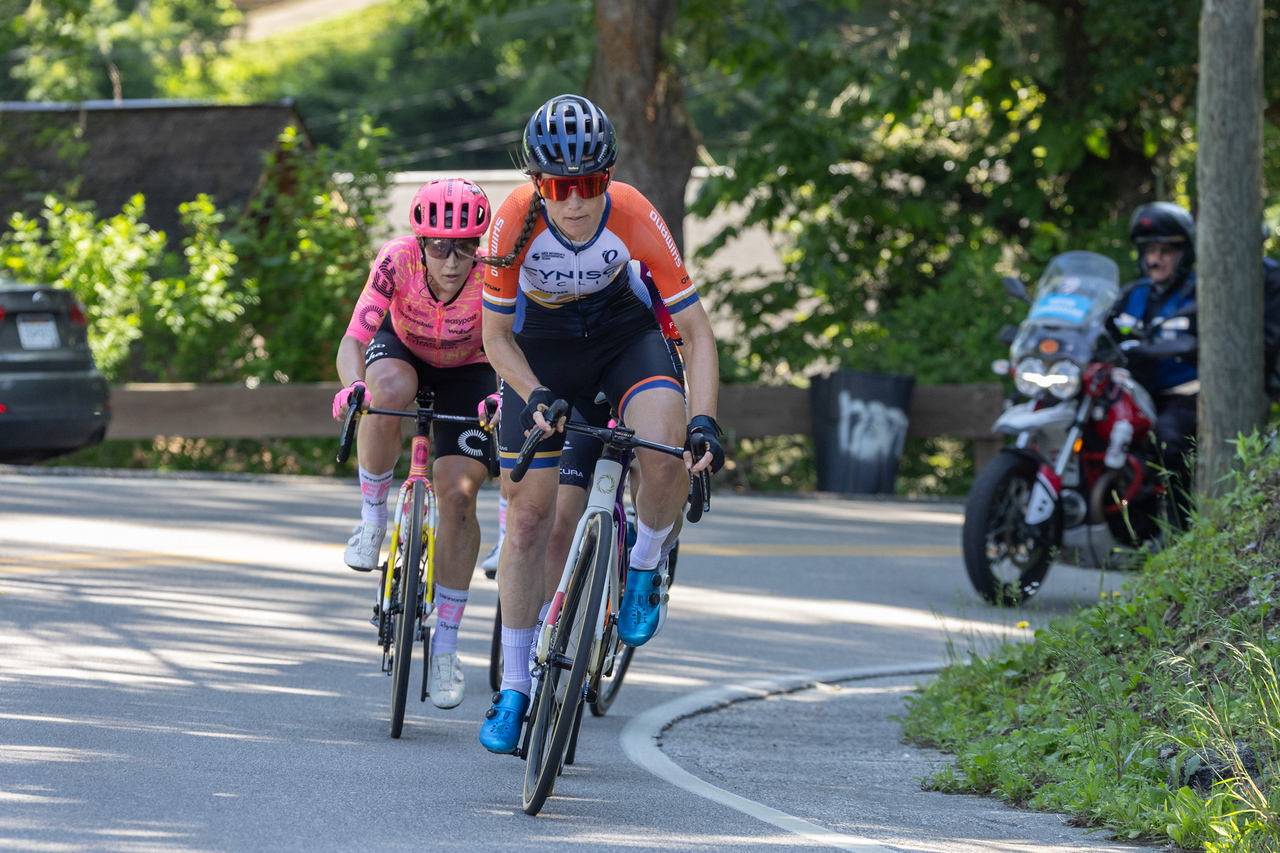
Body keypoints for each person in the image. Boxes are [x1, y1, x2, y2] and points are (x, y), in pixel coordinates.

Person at [476, 94, 723, 754]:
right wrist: (533, 395)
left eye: (589, 184)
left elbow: (696, 333)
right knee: (531, 522)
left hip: (621, 336)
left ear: (606, 179)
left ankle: (643, 566)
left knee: (665, 448)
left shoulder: (636, 214)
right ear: (538, 184)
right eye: (560, 187)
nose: (576, 201)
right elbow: (495, 337)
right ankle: (515, 687)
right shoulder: (512, 222)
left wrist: (704, 420)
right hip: (542, 350)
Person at [331, 178, 495, 710]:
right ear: (421, 244)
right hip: (402, 349)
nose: (453, 261)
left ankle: (445, 643)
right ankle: (373, 516)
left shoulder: (494, 272)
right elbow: (355, 338)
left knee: (459, 498)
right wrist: (352, 385)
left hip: (471, 370)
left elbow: (516, 347)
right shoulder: (396, 259)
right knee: (385, 393)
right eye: (441, 247)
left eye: (466, 246)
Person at [1108, 202, 1198, 508]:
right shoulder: (1131, 294)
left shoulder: (1201, 293)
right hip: (1132, 394)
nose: (1155, 259)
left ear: (1184, 253)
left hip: (1182, 397)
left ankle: (1177, 526)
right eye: (1150, 251)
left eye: (1165, 251)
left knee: (1166, 442)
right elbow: (1100, 330)